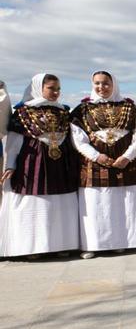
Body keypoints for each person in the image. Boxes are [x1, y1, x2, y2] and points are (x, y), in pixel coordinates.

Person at [70, 71, 136, 258]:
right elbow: (78, 140)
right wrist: (96, 156)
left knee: (126, 203)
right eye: (98, 83)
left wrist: (128, 156)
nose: (102, 87)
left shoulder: (130, 108)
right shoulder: (82, 110)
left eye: (106, 83)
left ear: (114, 84)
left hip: (127, 163)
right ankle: (95, 244)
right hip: (94, 165)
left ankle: (124, 242)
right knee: (98, 205)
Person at [0, 74, 79, 258]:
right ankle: (32, 247)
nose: (56, 92)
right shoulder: (23, 112)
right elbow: (14, 140)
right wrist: (10, 165)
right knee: (33, 202)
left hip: (60, 162)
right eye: (51, 88)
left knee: (61, 200)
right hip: (32, 161)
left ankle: (61, 244)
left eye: (58, 88)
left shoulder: (63, 111)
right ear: (38, 88)